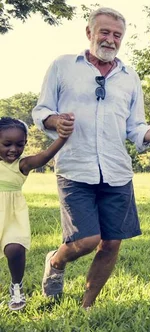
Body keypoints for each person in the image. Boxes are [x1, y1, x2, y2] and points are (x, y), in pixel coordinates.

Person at [32, 7, 150, 308]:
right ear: (89, 33)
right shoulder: (63, 66)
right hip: (75, 167)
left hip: (117, 170)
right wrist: (55, 121)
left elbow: (135, 126)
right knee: (86, 240)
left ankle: (87, 306)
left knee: (111, 242)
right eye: (105, 32)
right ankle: (56, 262)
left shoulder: (130, 77)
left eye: (117, 35)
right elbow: (41, 111)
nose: (111, 40)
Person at [0, 117, 73, 311]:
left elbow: (45, 155)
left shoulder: (21, 165)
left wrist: (62, 138)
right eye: (7, 144)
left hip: (12, 215)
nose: (13, 149)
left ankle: (17, 285)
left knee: (15, 249)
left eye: (20, 144)